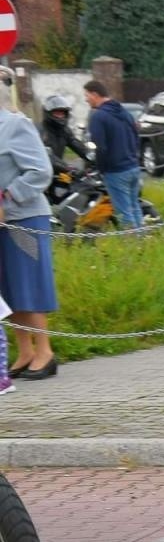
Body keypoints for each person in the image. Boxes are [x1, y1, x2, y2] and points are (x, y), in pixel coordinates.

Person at [1, 68, 62, 381]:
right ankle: (24, 351)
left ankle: (45, 351)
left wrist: (7, 196)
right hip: (1, 223)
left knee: (29, 283)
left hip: (24, 217)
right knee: (8, 289)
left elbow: (40, 171)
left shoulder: (15, 124)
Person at [82, 79, 142, 230]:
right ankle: (143, 242)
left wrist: (101, 169)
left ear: (95, 94)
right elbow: (136, 137)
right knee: (135, 207)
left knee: (123, 213)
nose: (86, 99)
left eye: (87, 95)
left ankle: (133, 247)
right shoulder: (124, 112)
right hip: (133, 167)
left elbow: (100, 147)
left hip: (115, 171)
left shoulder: (98, 117)